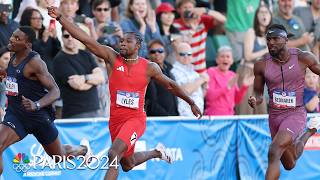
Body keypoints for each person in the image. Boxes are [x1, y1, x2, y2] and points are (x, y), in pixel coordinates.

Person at [47, 6, 202, 180]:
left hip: (135, 119)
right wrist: (61, 18)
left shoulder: (149, 67)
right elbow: (85, 39)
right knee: (127, 164)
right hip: (115, 120)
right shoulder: (111, 58)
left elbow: (171, 85)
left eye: (127, 41)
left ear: (138, 46)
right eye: (121, 41)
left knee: (113, 154)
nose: (122, 43)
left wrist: (191, 102)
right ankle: (157, 152)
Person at [0, 26, 91, 175]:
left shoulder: (35, 62)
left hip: (37, 116)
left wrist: (36, 105)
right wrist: (5, 75)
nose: (11, 39)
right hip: (16, 115)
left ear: (27, 45)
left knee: (59, 157)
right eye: (12, 35)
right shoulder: (12, 55)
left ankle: (83, 149)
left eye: (17, 38)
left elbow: (55, 91)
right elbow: (18, 79)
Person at [248, 24, 320, 180]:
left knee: (274, 150)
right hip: (274, 116)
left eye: (275, 38)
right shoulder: (261, 65)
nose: (271, 43)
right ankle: (310, 131)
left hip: (295, 114)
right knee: (289, 163)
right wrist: (255, 99)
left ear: (286, 40)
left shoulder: (303, 58)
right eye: (268, 39)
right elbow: (258, 93)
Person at [236, 3, 271, 115]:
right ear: (256, 16)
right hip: (247, 72)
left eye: (267, 12)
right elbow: (248, 56)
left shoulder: (270, 36)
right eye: (261, 12)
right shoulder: (251, 32)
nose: (264, 15)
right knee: (245, 110)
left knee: (261, 111)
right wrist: (266, 50)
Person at [205, 46, 253, 116]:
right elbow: (209, 96)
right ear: (217, 60)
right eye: (222, 56)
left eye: (228, 57)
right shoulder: (211, 72)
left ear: (232, 61)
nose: (225, 59)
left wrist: (244, 87)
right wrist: (227, 88)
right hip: (214, 117)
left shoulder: (232, 75)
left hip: (229, 116)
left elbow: (236, 100)